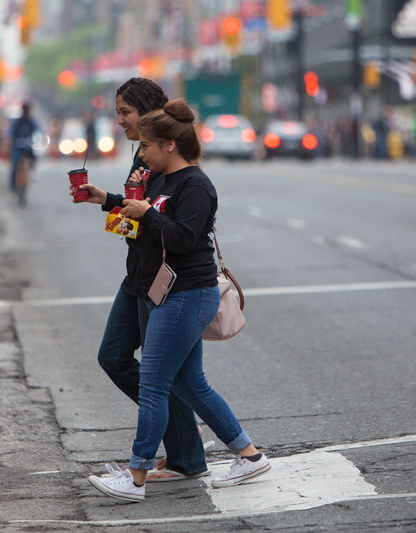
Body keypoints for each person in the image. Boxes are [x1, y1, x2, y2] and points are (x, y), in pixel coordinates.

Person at [86, 99, 270, 503]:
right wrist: (108, 200)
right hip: (166, 292)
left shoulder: (195, 185)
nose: (142, 153)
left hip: (187, 294)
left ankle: (136, 475)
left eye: (148, 146)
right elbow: (141, 221)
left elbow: (183, 239)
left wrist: (147, 214)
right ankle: (249, 455)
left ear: (170, 145)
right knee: (190, 385)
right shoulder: (161, 180)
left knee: (153, 385)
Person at [73, 79, 211, 483]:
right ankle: (183, 438)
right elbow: (140, 218)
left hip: (163, 282)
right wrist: (108, 202)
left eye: (124, 113)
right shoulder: (144, 154)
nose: (119, 121)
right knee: (115, 357)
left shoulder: (167, 162)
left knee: (161, 374)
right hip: (138, 275)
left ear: (149, 115)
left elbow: (167, 223)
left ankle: (185, 454)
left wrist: (130, 211)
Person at [9, 103, 40, 191]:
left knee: (34, 157)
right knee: (15, 164)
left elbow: (38, 130)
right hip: (17, 146)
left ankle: (33, 171)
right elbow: (10, 132)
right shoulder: (17, 122)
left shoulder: (31, 122)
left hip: (28, 145)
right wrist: (11, 140)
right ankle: (13, 187)